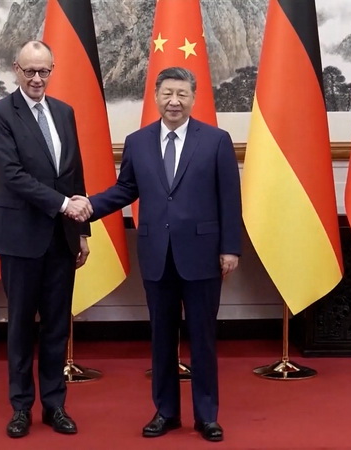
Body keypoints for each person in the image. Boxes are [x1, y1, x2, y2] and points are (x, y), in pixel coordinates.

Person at [79, 66, 242, 442]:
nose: (174, 101)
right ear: (155, 96)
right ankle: (166, 412)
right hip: (156, 254)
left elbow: (229, 199)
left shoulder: (216, 140)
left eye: (182, 94)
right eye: (167, 93)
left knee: (203, 338)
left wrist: (230, 248)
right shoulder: (137, 142)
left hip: (202, 255)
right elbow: (125, 190)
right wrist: (87, 206)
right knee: (161, 339)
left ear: (193, 98)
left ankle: (206, 416)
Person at [0, 40, 93, 439]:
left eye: (44, 71)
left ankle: (54, 405)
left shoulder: (64, 112)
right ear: (16, 69)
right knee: (20, 327)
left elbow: (74, 173)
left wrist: (82, 231)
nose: (36, 78)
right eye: (29, 71)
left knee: (57, 326)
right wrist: (64, 205)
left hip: (62, 239)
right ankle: (20, 408)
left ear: (52, 70)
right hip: (20, 238)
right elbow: (11, 175)